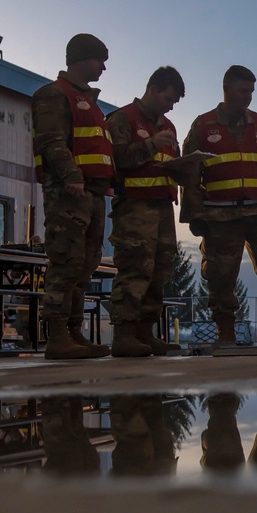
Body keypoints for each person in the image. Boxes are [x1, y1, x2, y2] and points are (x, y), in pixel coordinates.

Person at [179, 65, 257, 344]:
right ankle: (226, 334)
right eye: (243, 91)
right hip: (220, 216)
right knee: (221, 276)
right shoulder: (203, 125)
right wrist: (194, 214)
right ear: (227, 89)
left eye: (252, 92)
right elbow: (190, 174)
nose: (248, 97)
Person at [32, 33, 114, 360]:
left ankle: (73, 332)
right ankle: (56, 335)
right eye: (100, 60)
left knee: (84, 265)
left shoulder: (90, 103)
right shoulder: (53, 95)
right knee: (66, 262)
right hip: (69, 193)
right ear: (82, 59)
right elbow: (52, 141)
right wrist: (72, 175)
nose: (104, 67)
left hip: (92, 194)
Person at [105, 66, 187, 357]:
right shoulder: (122, 118)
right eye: (168, 99)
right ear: (152, 90)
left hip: (163, 207)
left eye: (174, 103)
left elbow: (168, 164)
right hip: (135, 208)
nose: (170, 106)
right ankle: (124, 333)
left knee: (160, 270)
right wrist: (152, 144)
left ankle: (145, 331)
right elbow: (116, 159)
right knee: (135, 267)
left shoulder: (169, 126)